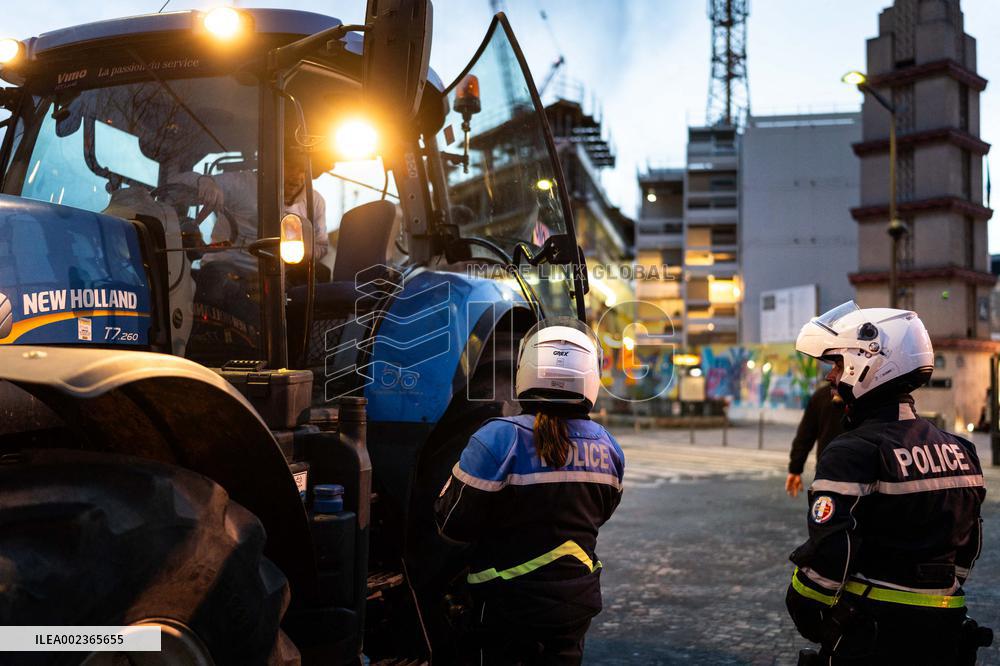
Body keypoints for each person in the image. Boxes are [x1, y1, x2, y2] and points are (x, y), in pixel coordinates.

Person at [786, 301, 989, 664]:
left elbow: (832, 555)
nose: (832, 376)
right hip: (947, 632)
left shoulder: (851, 451)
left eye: (836, 363)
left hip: (874, 634)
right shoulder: (962, 450)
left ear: (869, 362)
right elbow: (968, 546)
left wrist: (807, 609)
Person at [434, 317, 624, 665]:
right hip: (575, 605)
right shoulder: (608, 447)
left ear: (527, 369)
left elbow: (451, 524)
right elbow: (600, 513)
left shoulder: (498, 438)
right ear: (590, 376)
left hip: (505, 604)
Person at [179, 148, 328, 273]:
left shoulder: (315, 202)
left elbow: (321, 246)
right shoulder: (242, 184)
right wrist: (204, 182)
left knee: (321, 275)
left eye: (302, 171)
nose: (297, 177)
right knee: (216, 281)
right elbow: (178, 186)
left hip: (275, 277)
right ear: (275, 165)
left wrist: (299, 253)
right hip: (226, 267)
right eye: (290, 167)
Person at [785, 381, 845, 497]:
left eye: (837, 367)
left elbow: (805, 435)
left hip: (827, 471)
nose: (830, 375)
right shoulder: (866, 395)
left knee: (824, 512)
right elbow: (805, 435)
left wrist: (795, 469)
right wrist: (795, 468)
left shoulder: (821, 395)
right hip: (855, 472)